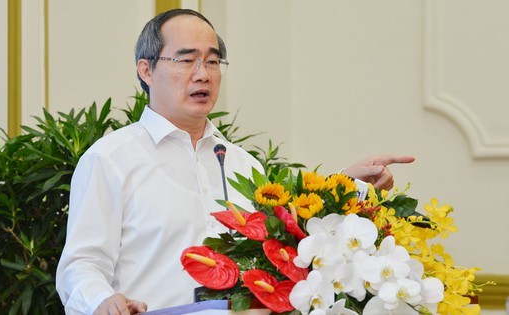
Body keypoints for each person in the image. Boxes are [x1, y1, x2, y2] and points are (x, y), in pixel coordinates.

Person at [56, 9, 414, 315]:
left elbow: (284, 239)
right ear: (146, 70)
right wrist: (104, 301)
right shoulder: (111, 159)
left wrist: (345, 186)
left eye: (212, 61)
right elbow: (81, 264)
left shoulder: (240, 164)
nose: (203, 74)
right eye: (186, 59)